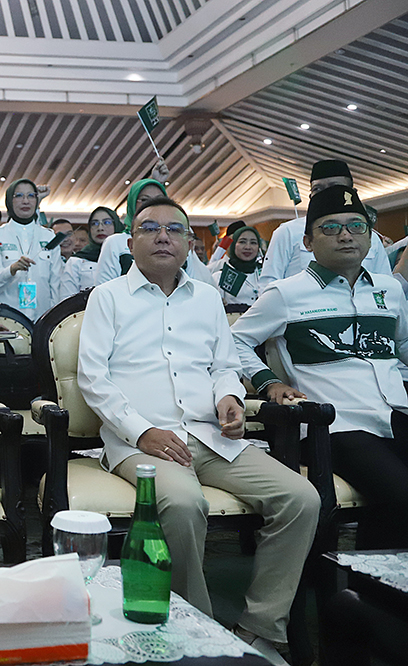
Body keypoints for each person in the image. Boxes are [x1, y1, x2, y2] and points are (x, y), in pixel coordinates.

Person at [78, 196, 319, 663]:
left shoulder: (207, 298)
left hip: (211, 436)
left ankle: (260, 626)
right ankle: (199, 630)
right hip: (141, 441)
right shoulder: (107, 298)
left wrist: (228, 397)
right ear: (131, 243)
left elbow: (225, 365)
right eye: (150, 228)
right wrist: (142, 431)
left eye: (174, 229)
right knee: (183, 503)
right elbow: (93, 378)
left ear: (191, 243)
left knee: (301, 498)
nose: (162, 236)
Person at [232, 185, 408, 550]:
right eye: (331, 228)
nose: (346, 235)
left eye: (356, 226)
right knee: (402, 495)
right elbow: (233, 341)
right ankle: (368, 595)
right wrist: (268, 382)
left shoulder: (389, 289)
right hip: (333, 425)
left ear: (371, 237)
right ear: (308, 242)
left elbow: (402, 345)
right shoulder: (286, 293)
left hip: (394, 413)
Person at [259, 159, 391, 292]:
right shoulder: (288, 231)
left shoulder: (366, 234)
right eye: (317, 189)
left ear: (352, 192)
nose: (326, 194)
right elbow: (268, 285)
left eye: (335, 187)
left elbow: (386, 284)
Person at [95, 178, 214, 287]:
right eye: (145, 200)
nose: (152, 205)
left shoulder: (178, 241)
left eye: (158, 200)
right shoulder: (115, 242)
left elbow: (195, 279)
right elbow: (104, 285)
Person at [0, 178, 64, 321]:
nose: (26, 201)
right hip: (8, 319)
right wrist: (11, 269)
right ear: (9, 201)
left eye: (31, 196)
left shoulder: (49, 236)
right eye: (19, 196)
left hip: (43, 319)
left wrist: (53, 317)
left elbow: (56, 284)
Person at [60, 206, 122, 298]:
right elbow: (67, 301)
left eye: (107, 222)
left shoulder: (126, 256)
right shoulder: (76, 261)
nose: (100, 228)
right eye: (94, 223)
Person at [211, 226, 262, 306]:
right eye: (242, 242)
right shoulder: (219, 277)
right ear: (233, 245)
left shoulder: (264, 274)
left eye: (253, 243)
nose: (248, 247)